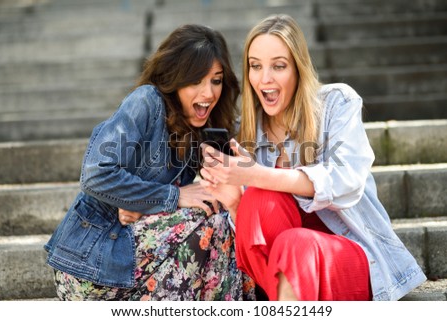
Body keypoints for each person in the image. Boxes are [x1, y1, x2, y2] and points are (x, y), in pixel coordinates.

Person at [199, 14, 427, 301]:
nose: (264, 78)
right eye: (255, 66)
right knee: (257, 201)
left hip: (345, 258)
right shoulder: (249, 131)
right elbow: (256, 238)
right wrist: (234, 204)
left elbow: (346, 180)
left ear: (298, 68)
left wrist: (256, 174)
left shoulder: (336, 103)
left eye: (278, 66)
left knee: (295, 243)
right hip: (283, 275)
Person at [44, 24, 256, 301]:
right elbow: (96, 174)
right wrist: (174, 195)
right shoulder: (146, 101)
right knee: (213, 219)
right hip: (89, 263)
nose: (208, 93)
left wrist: (142, 204)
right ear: (174, 78)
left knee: (221, 214)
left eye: (216, 81)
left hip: (134, 261)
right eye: (196, 81)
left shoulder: (198, 127)